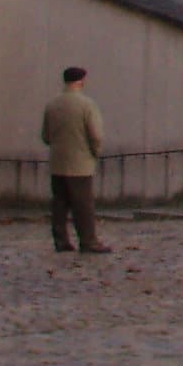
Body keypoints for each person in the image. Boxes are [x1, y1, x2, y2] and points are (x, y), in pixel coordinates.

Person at [41, 65, 111, 254]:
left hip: (57, 162)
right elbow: (95, 134)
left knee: (59, 204)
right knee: (83, 205)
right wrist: (96, 152)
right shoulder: (87, 105)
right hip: (80, 162)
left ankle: (61, 240)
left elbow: (46, 136)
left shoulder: (52, 104)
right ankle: (88, 241)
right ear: (81, 81)